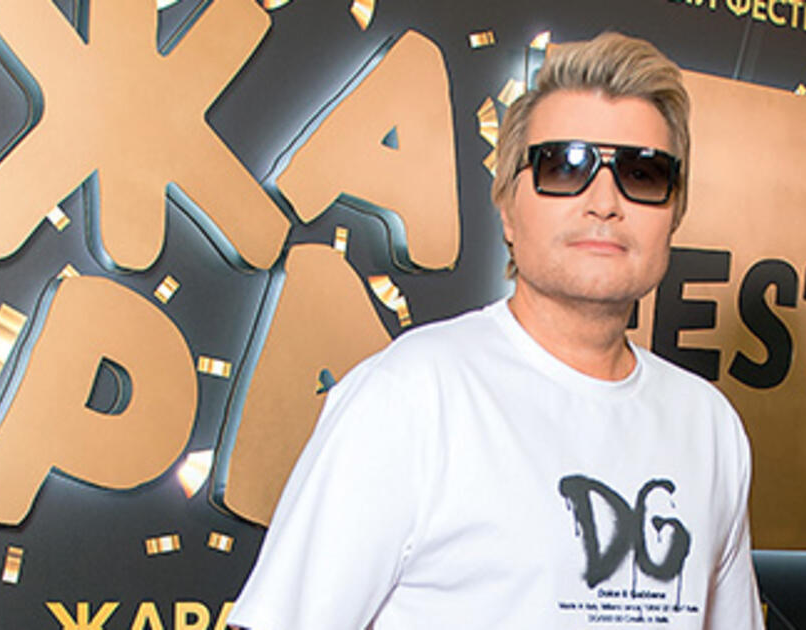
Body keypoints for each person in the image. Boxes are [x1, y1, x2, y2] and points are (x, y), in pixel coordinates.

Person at [227, 31, 763, 630]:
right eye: (565, 167)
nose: (605, 202)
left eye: (643, 173)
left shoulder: (709, 425)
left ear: (675, 212)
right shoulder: (412, 396)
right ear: (507, 206)